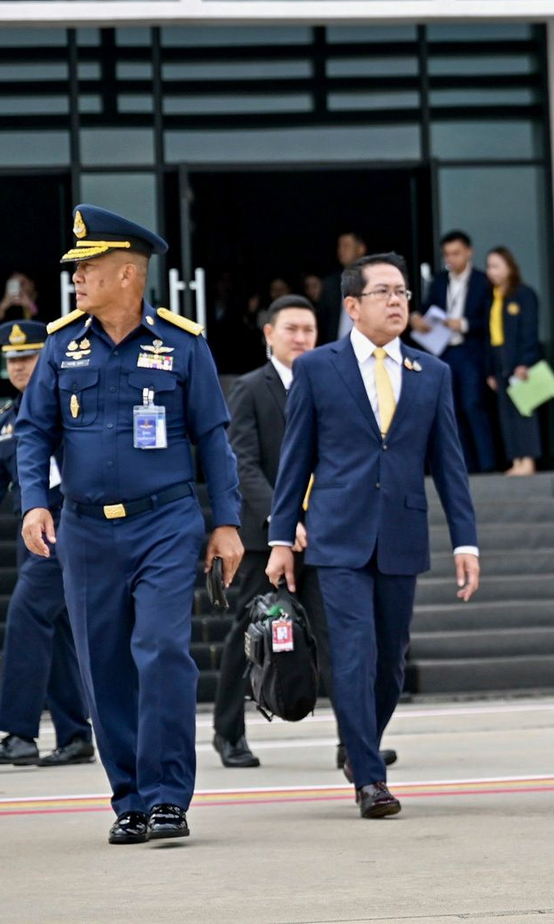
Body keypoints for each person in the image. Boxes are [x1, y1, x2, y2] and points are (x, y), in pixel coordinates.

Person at [16, 204, 243, 846]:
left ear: (126, 274)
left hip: (166, 524)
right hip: (85, 530)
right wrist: (36, 501)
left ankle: (170, 795)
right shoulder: (62, 345)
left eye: (87, 268)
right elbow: (34, 431)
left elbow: (214, 439)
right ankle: (130, 800)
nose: (76, 280)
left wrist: (225, 523)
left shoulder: (182, 343)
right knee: (104, 663)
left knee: (163, 651)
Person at [267, 252, 479, 819]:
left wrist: (466, 541)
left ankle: (357, 743)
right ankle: (369, 777)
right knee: (354, 654)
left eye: (404, 293)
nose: (397, 302)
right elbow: (296, 460)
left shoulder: (432, 373)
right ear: (353, 306)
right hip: (338, 535)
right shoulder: (318, 368)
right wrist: (282, 537)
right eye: (384, 292)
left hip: (402, 534)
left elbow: (450, 466)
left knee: (389, 662)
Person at [214, 294, 361, 770]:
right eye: (292, 329)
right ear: (269, 334)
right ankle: (229, 733)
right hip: (265, 538)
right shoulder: (250, 388)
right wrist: (282, 521)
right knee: (250, 632)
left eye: (310, 331)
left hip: (323, 537)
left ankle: (353, 740)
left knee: (333, 636)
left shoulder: (333, 384)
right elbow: (244, 464)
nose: (301, 338)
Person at [0, 321, 93, 769]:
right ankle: (76, 734)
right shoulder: (7, 421)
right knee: (55, 635)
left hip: (66, 534)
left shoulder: (68, 406)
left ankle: (19, 732)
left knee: (26, 616)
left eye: (29, 357)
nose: (20, 366)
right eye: (13, 360)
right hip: (32, 542)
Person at [411, 230, 496, 473]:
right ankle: (464, 466)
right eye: (447, 254)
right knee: (451, 409)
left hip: (470, 351)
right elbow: (428, 309)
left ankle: (487, 464)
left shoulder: (482, 281)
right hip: (444, 351)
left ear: (469, 252)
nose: (451, 259)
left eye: (456, 253)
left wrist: (464, 324)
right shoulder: (439, 281)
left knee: (473, 404)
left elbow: (491, 321)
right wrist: (417, 317)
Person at [484, 246, 541, 476]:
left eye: (497, 266)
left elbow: (530, 333)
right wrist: (489, 370)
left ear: (509, 267)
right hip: (500, 361)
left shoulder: (524, 295)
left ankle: (529, 459)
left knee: (524, 411)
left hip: (519, 362)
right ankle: (516, 460)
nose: (492, 271)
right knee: (506, 413)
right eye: (489, 266)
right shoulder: (493, 298)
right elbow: (489, 338)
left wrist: (525, 362)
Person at [318, 231, 368, 343]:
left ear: (360, 248)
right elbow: (322, 323)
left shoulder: (374, 281)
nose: (341, 250)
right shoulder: (330, 284)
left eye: (346, 245)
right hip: (336, 350)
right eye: (339, 246)